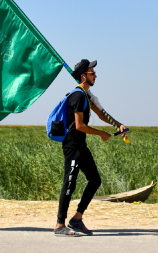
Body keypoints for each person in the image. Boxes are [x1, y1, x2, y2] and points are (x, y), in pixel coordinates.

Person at [54, 59, 127, 237]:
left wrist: (118, 125)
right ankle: (59, 225)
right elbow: (79, 125)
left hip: (81, 145)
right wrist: (101, 134)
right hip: (72, 145)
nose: (95, 75)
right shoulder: (77, 96)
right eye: (92, 73)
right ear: (83, 76)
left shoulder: (86, 95)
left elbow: (101, 114)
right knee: (69, 184)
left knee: (94, 180)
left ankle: (77, 218)